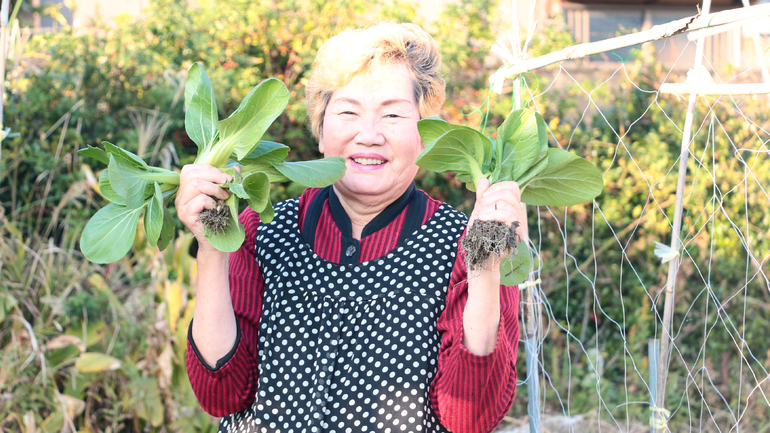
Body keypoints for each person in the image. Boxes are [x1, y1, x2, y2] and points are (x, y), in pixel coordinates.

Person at [177, 22, 526, 433]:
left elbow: (471, 417)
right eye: (348, 112)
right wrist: (213, 246)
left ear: (425, 137)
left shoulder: (468, 243)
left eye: (393, 114)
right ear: (321, 132)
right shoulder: (261, 230)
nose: (370, 134)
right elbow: (221, 395)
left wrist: (484, 267)